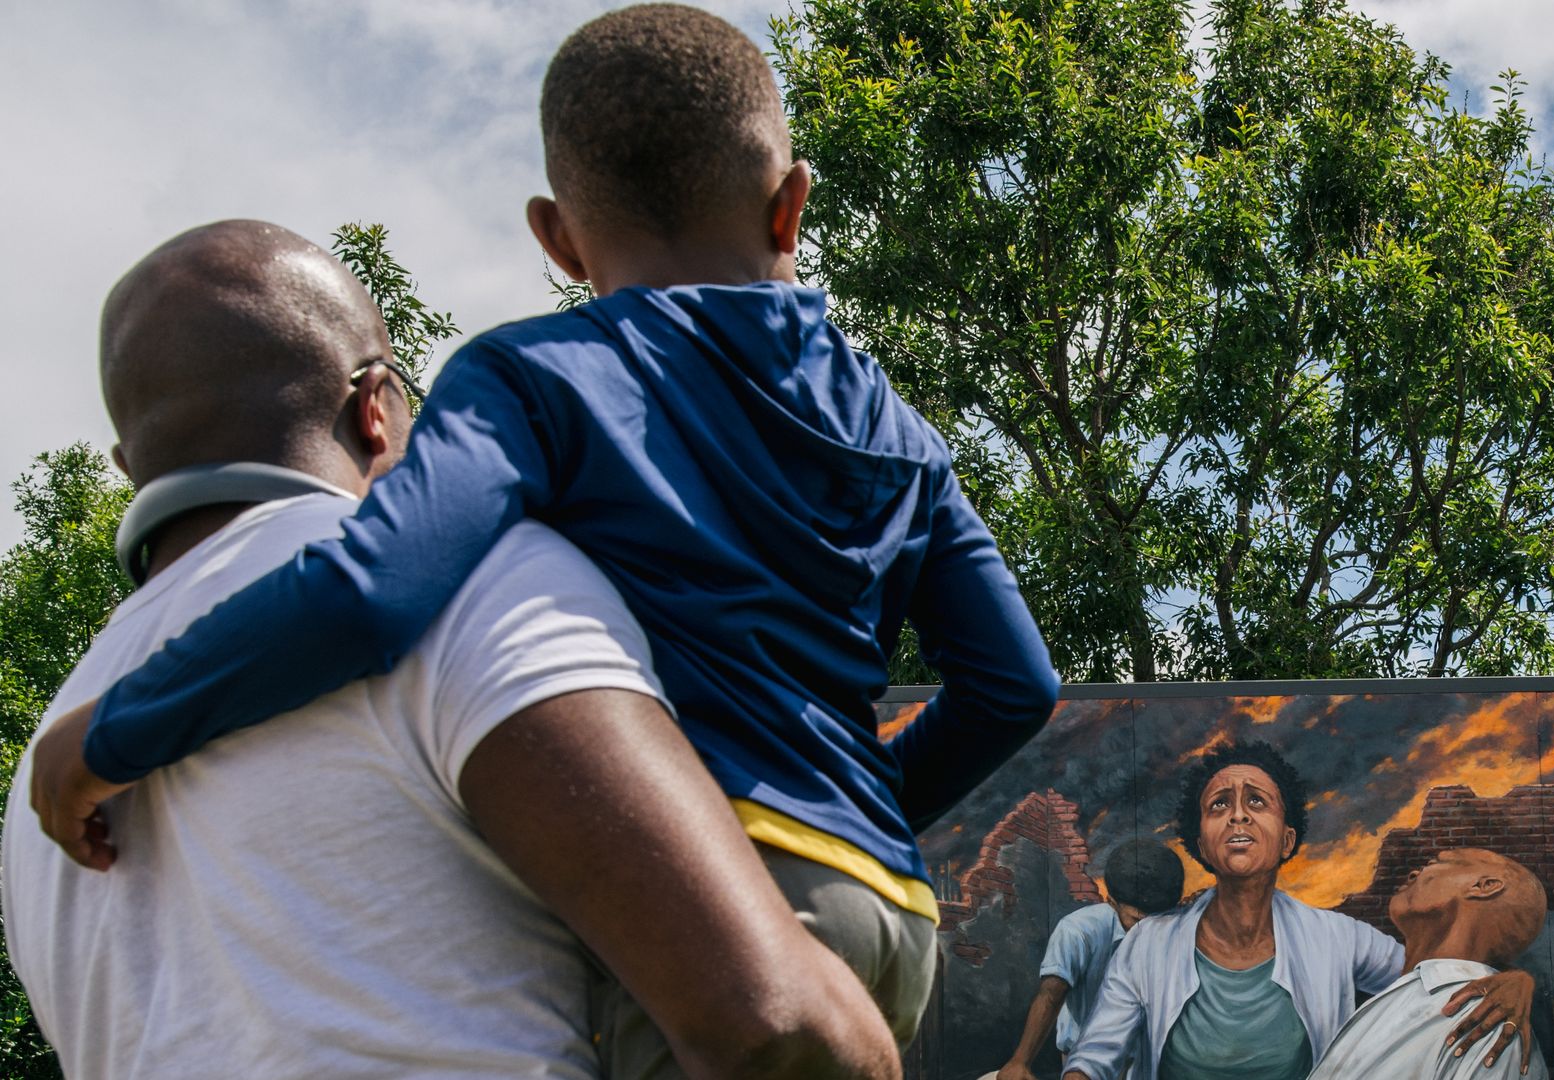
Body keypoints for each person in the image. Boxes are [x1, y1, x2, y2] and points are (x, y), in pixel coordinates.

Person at [32, 2, 1060, 1060]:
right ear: (791, 204)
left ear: (558, 238)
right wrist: (857, 815)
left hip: (744, 909)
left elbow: (375, 587)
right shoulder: (903, 434)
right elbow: (1014, 685)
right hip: (899, 911)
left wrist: (108, 736)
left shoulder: (537, 377)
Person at [5, 220, 898, 1079]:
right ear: (378, 409)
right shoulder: (470, 580)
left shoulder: (37, 790)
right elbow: (773, 1029)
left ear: (130, 464)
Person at [1062, 743, 1534, 1080]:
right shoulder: (1149, 943)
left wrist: (1516, 979)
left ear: (1287, 838)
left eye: (1257, 802)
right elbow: (1097, 1056)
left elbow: (1430, 975)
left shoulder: (1337, 937)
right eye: (1220, 804)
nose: (1238, 816)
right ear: (1201, 843)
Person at [1308, 849, 1549, 1079]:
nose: (1414, 873)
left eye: (1435, 863)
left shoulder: (1487, 1022)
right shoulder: (1403, 996)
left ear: (1484, 886)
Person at [997, 838, 1188, 1080]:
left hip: (1148, 1059)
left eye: (1160, 921)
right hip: (1086, 1061)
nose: (1150, 931)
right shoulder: (1078, 931)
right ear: (1112, 903)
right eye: (1137, 921)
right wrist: (1020, 1062)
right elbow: (1050, 995)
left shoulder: (1182, 931)